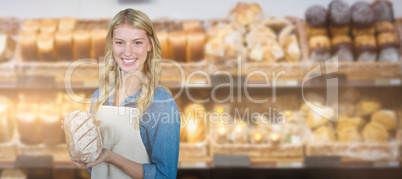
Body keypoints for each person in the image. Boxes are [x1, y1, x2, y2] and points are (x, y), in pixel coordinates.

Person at [70, 8, 181, 179]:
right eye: (120, 42)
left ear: (149, 45)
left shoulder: (163, 105)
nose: (127, 52)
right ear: (112, 44)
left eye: (137, 42)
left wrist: (111, 157)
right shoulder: (99, 97)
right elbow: (96, 169)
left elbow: (165, 176)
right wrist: (78, 144)